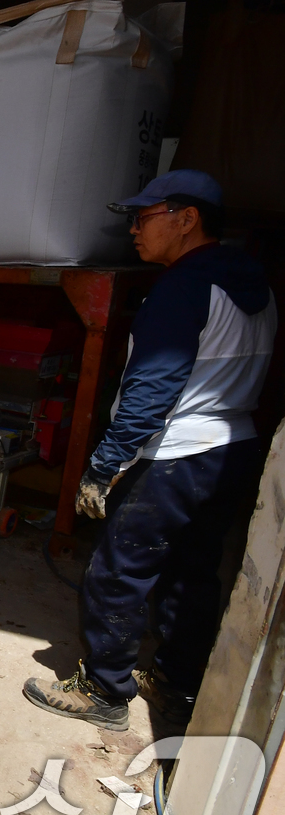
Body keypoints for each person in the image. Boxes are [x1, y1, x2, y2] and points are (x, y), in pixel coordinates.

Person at [23, 170, 276, 731]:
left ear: (186, 220)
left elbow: (153, 386)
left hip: (176, 453)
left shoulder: (184, 286)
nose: (134, 229)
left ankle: (103, 690)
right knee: (192, 572)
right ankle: (177, 684)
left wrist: (105, 464)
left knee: (118, 570)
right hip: (231, 447)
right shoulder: (254, 286)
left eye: (144, 217)